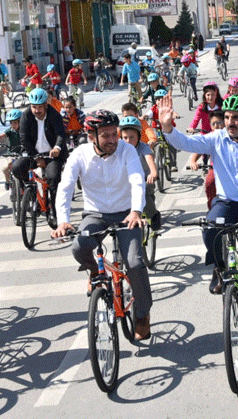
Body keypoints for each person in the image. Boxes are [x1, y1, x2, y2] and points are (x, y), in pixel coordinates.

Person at [158, 93, 238, 344]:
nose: (230, 122)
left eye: (236, 118)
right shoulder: (217, 139)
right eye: (227, 117)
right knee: (208, 228)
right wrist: (167, 127)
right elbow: (187, 143)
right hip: (226, 203)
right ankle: (219, 267)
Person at [52, 110, 153, 341]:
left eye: (113, 134)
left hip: (127, 214)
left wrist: (136, 210)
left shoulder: (126, 150)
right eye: (105, 135)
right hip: (95, 214)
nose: (112, 139)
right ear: (91, 136)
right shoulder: (79, 154)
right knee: (79, 247)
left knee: (135, 263)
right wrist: (63, 221)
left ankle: (143, 314)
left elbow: (137, 179)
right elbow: (65, 187)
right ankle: (95, 272)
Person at [11, 88, 67, 202]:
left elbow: (60, 134)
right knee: (17, 167)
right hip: (33, 153)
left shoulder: (54, 115)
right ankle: (29, 191)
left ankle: (55, 211)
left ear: (46, 105)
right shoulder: (26, 116)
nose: (37, 110)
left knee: (53, 178)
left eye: (40, 107)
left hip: (51, 155)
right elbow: (24, 138)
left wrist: (57, 148)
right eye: (34, 107)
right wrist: (36, 157)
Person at [119, 116, 161, 230]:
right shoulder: (119, 148)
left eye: (132, 137)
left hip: (145, 180)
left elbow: (150, 160)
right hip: (126, 182)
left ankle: (154, 217)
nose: (128, 141)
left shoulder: (143, 147)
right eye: (125, 137)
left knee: (145, 196)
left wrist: (153, 173)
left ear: (139, 136)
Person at [188, 110, 225, 210]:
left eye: (219, 122)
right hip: (215, 169)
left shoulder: (229, 135)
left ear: (225, 123)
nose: (217, 126)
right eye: (214, 124)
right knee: (209, 183)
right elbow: (200, 148)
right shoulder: (210, 137)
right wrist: (193, 161)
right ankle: (212, 209)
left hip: (229, 169)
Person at [0, 108, 23, 190]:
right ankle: (8, 181)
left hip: (22, 153)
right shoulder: (10, 131)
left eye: (15, 123)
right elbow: (0, 136)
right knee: (6, 168)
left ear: (20, 122)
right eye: (11, 123)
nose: (13, 125)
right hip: (11, 153)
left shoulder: (24, 130)